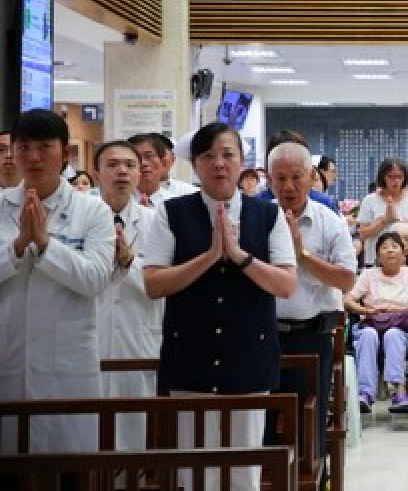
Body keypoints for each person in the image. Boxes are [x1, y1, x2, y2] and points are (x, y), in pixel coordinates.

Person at [144, 122, 297, 491]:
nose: (219, 164)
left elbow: (286, 284)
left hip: (249, 357)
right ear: (194, 165)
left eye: (228, 155)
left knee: (243, 468)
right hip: (189, 357)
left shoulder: (268, 215)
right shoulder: (171, 213)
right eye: (208, 156)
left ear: (243, 162)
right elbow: (153, 283)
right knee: (194, 468)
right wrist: (210, 256)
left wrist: (240, 256)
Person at [0, 109, 115, 454]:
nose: (34, 157)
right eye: (24, 147)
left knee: (69, 469)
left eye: (45, 147)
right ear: (13, 153)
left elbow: (95, 279)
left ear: (65, 153)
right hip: (9, 361)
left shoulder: (93, 212)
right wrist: (18, 247)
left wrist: (46, 244)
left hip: (68, 368)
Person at [263, 142, 356, 485]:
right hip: (263, 335)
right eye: (280, 178)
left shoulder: (330, 223)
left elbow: (346, 280)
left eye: (296, 177)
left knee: (308, 424)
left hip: (311, 335)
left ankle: (310, 478)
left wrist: (300, 253)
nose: (288, 187)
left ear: (312, 178)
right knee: (262, 422)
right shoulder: (257, 219)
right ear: (269, 180)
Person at [93, 140, 160, 451]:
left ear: (139, 174)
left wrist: (130, 261)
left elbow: (165, 280)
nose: (122, 171)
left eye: (130, 165)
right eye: (112, 164)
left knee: (137, 440)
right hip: (89, 337)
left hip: (140, 339)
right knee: (89, 439)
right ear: (97, 173)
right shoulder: (80, 219)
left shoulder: (158, 223)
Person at [345, 231, 408, 412]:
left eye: (394, 247)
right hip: (372, 322)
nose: (389, 251)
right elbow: (348, 300)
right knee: (367, 335)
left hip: (401, 326)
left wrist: (403, 309)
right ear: (377, 256)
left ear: (404, 254)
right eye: (384, 247)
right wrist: (367, 310)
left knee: (393, 335)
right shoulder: (368, 274)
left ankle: (398, 391)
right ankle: (365, 394)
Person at [357, 158, 408, 267]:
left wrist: (398, 220)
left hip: (406, 262)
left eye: (400, 177)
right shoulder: (369, 200)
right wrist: (384, 221)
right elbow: (363, 233)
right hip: (376, 261)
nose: (396, 181)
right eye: (391, 176)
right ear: (383, 177)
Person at [129, 132, 199, 207]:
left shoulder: (177, 203)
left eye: (149, 156)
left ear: (163, 161)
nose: (143, 163)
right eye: (137, 157)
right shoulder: (119, 201)